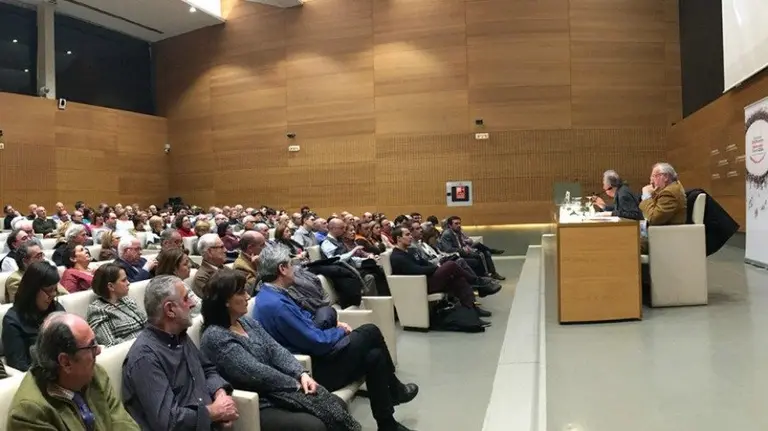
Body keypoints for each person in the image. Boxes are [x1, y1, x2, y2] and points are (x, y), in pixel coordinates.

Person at [253, 246, 418, 431]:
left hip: (314, 356)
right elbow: (317, 342)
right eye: (291, 264)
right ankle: (395, 389)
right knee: (370, 331)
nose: (295, 269)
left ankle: (387, 423)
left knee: (375, 357)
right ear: (282, 269)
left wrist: (333, 328)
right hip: (310, 371)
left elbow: (306, 321)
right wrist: (339, 331)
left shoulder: (273, 294)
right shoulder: (276, 304)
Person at [200, 269, 360, 431]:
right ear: (225, 301)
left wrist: (301, 374)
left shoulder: (246, 322)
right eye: (241, 293)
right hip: (258, 401)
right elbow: (255, 373)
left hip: (280, 389)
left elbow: (276, 349)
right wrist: (294, 383)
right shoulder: (216, 336)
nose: (248, 297)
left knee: (334, 406)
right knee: (315, 425)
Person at [122, 275, 240, 430]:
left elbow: (208, 370)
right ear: (170, 309)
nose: (192, 303)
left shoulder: (179, 335)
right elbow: (167, 422)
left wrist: (220, 396)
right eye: (186, 299)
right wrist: (213, 413)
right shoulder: (145, 358)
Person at [5, 312, 140, 430]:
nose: (98, 350)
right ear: (66, 362)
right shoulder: (29, 414)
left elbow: (123, 423)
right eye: (91, 346)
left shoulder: (96, 374)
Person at [390, 226, 495, 320]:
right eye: (407, 235)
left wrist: (435, 267)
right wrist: (436, 268)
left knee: (458, 280)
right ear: (398, 238)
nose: (411, 237)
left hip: (427, 279)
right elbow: (416, 270)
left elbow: (425, 263)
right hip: (419, 285)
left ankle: (472, 309)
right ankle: (477, 281)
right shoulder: (397, 257)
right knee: (450, 265)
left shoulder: (411, 251)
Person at [2, 262, 67, 371]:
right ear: (33, 290)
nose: (53, 295)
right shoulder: (13, 320)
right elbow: (19, 365)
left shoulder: (56, 308)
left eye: (55, 289)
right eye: (49, 290)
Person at [86, 263, 147, 347]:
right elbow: (110, 343)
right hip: (130, 350)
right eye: (124, 280)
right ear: (111, 286)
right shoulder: (97, 310)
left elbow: (147, 323)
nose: (128, 283)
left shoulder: (127, 300)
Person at [638, 162, 688, 253]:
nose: (651, 181)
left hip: (663, 238)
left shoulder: (670, 193)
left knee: (625, 243)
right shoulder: (671, 188)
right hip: (660, 233)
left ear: (665, 177)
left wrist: (646, 195)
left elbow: (653, 218)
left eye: (654, 176)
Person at [438, 216, 505, 281]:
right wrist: (463, 249)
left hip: (465, 250)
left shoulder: (458, 231)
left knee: (485, 253)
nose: (459, 225)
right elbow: (448, 249)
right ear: (450, 225)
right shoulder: (447, 234)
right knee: (479, 255)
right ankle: (484, 276)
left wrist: (467, 243)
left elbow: (463, 242)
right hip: (457, 254)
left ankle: (491, 273)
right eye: (456, 223)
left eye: (459, 223)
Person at [155, 247, 203, 317]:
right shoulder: (175, 286)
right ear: (174, 269)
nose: (190, 265)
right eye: (185, 264)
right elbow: (197, 308)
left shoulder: (165, 282)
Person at [192, 233, 227, 298]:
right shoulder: (201, 278)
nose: (225, 250)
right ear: (209, 252)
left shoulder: (226, 268)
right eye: (221, 247)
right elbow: (213, 301)